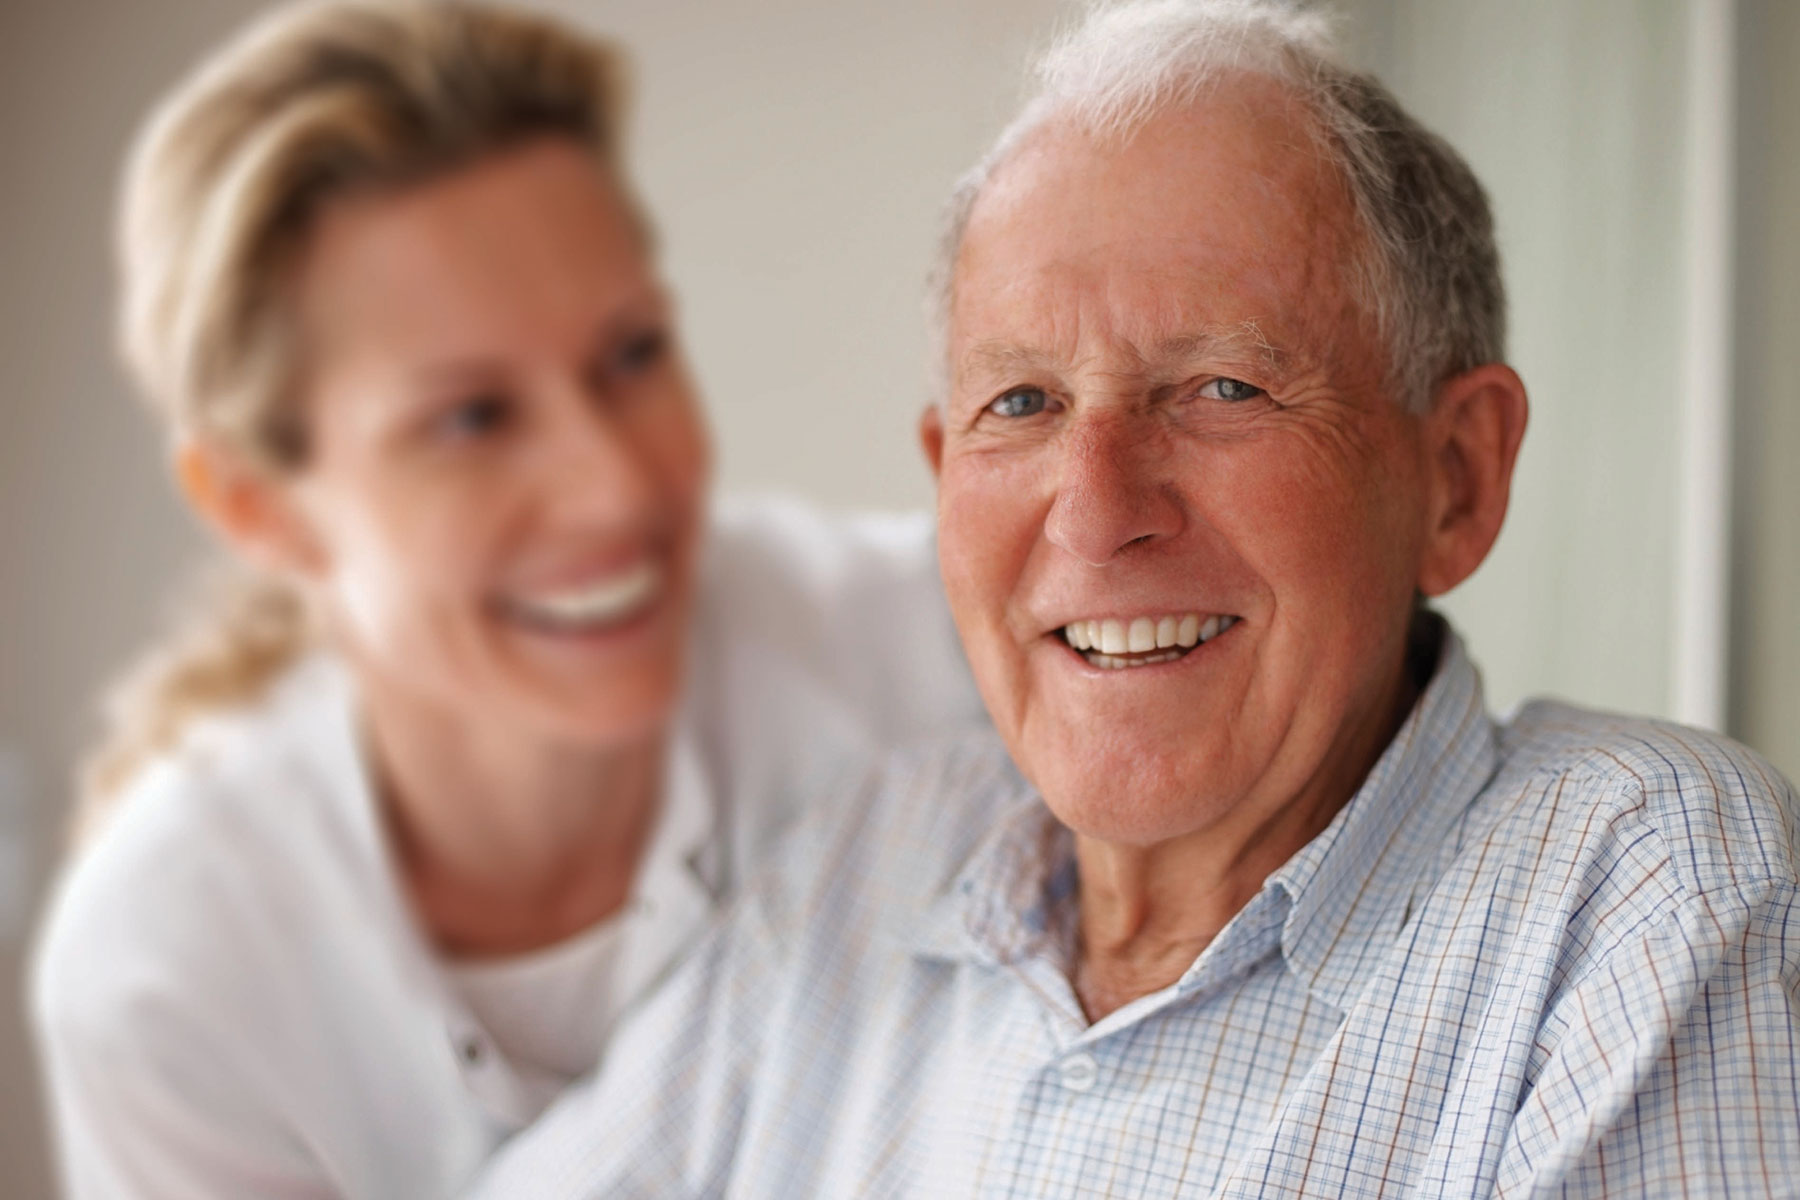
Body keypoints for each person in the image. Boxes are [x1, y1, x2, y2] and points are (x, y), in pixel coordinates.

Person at [466, 1, 1800, 1196]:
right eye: (1023, 403)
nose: (1098, 510)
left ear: (1455, 480)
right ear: (944, 477)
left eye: (1223, 388)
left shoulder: (1641, 897)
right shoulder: (866, 859)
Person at [27, 2, 984, 1196]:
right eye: (472, 418)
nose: (614, 485)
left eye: (632, 354)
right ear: (255, 506)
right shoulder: (173, 972)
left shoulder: (938, 661)